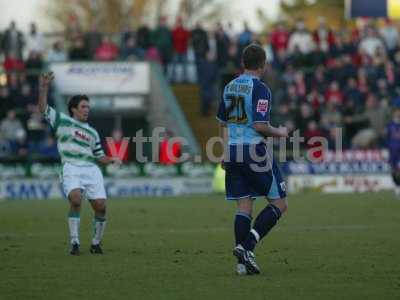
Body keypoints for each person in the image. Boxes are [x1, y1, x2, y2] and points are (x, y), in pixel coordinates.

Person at [216, 44, 288, 275]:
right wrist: (280, 132)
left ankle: (241, 266)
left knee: (244, 205)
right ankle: (247, 248)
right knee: (279, 203)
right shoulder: (260, 88)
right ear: (263, 65)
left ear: (242, 63)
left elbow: (222, 122)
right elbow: (259, 125)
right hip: (254, 152)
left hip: (233, 152)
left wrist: (224, 151)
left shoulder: (229, 87)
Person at [37, 72, 121, 255]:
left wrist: (112, 159)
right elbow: (43, 108)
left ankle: (96, 243)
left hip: (91, 170)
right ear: (74, 109)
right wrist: (43, 87)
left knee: (101, 206)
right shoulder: (61, 121)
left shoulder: (92, 133)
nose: (86, 110)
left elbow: (99, 156)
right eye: (83, 106)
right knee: (75, 199)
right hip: (71, 167)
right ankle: (74, 243)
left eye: (88, 107)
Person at [386, 98, 400, 196]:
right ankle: (397, 186)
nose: (398, 113)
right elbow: (387, 137)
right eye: (397, 112)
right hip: (393, 150)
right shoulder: (390, 124)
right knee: (393, 169)